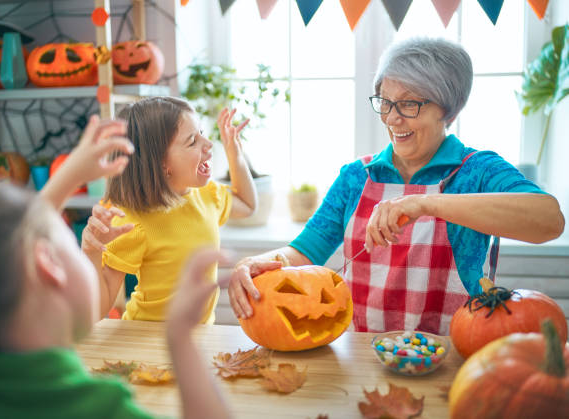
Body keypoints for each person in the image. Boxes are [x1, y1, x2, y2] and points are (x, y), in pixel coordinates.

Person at [227, 37, 565, 335]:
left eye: (408, 104)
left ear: (448, 110)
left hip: (451, 355)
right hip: (362, 355)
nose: (391, 118)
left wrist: (424, 204)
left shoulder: (477, 171)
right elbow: (303, 252)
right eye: (384, 102)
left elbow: (549, 220)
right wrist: (259, 262)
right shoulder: (356, 176)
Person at [0, 115, 233, 419]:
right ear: (47, 263)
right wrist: (180, 341)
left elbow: (18, 233)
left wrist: (70, 176)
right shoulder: (98, 407)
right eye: (70, 240)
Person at [82, 97, 256, 323]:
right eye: (192, 141)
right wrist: (92, 252)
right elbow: (97, 311)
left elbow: (248, 205)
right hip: (147, 340)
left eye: (201, 132)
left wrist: (235, 154)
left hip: (197, 337)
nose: (208, 143)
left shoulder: (208, 195)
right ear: (162, 164)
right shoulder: (131, 222)